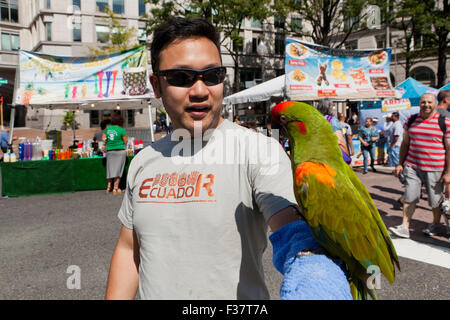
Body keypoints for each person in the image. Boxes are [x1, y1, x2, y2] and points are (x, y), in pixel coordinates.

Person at [105, 17, 351, 300]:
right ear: (156, 85)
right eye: (180, 78)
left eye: (212, 75)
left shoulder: (261, 151)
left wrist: (314, 274)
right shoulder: (142, 161)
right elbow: (128, 250)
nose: (199, 90)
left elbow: (294, 234)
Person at [390, 93, 450, 239]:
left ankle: (435, 224)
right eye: (423, 102)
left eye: (429, 102)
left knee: (435, 200)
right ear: (419, 104)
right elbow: (405, 143)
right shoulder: (411, 120)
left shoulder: (444, 122)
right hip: (412, 166)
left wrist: (448, 173)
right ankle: (405, 226)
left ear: (435, 103)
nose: (426, 105)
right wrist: (400, 164)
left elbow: (449, 149)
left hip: (435, 167)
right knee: (410, 195)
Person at [436, 90, 450, 239]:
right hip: (445, 161)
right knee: (447, 196)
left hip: (434, 161)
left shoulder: (428, 114)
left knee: (440, 196)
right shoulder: (446, 117)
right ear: (446, 100)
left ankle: (437, 223)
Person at [102, 114, 128, 194]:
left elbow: (103, 139)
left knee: (110, 169)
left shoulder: (107, 129)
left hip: (110, 151)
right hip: (120, 151)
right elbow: (125, 141)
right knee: (118, 170)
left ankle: (109, 187)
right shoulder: (122, 130)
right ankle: (115, 188)